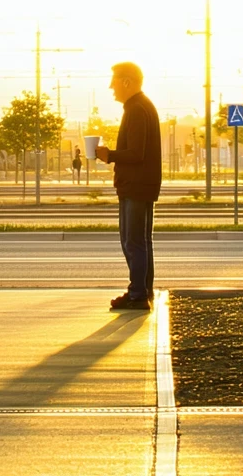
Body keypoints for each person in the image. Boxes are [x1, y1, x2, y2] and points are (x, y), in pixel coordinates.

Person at [93, 61, 161, 311]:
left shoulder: (135, 109)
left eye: (114, 81)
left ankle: (138, 295)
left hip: (135, 185)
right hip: (142, 184)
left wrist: (108, 154)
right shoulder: (144, 106)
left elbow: (136, 153)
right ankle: (143, 290)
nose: (111, 87)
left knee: (132, 241)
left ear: (126, 81)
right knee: (142, 241)